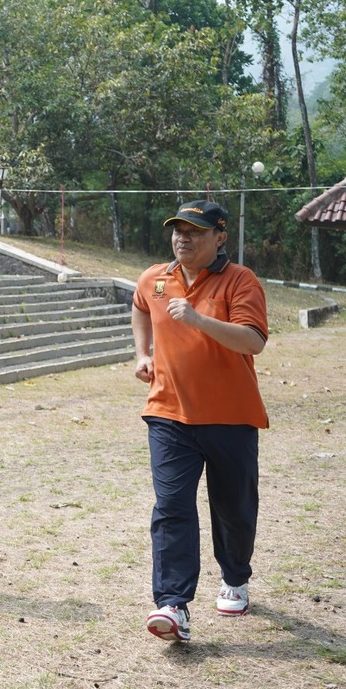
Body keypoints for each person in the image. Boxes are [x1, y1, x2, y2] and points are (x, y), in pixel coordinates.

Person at [132, 200, 268, 643]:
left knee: (233, 509)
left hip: (230, 418)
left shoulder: (240, 280)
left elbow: (252, 340)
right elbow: (138, 306)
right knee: (171, 508)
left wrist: (196, 319)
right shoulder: (155, 278)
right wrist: (142, 353)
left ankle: (235, 576)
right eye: (178, 230)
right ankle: (172, 603)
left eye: (195, 231)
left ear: (220, 236)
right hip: (168, 414)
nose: (183, 238)